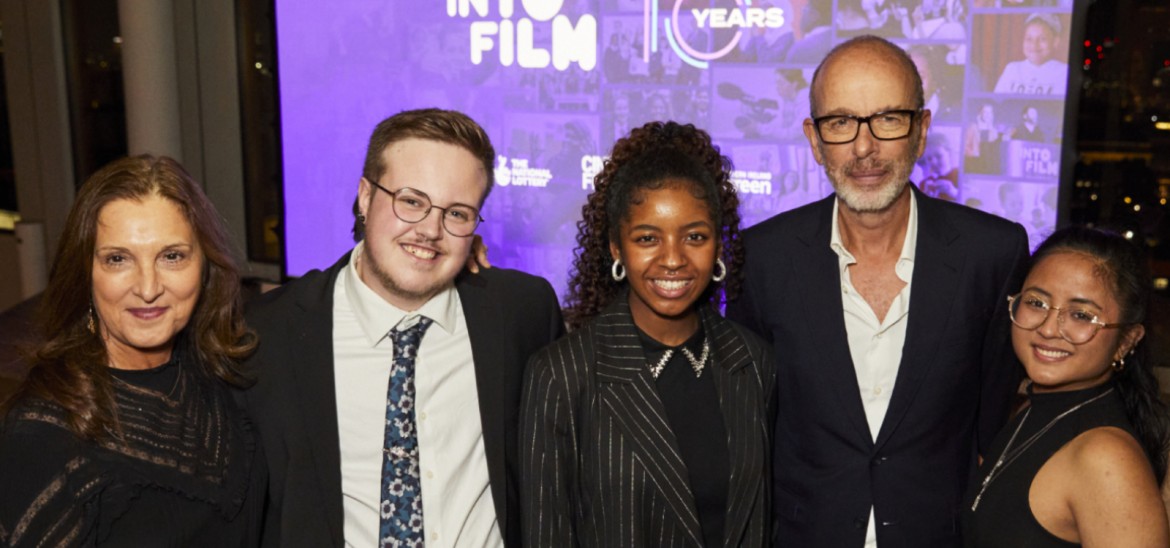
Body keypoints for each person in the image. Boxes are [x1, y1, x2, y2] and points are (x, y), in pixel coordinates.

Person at [727, 36, 1029, 547]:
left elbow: (999, 423)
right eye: (841, 122)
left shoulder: (992, 253)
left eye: (887, 118)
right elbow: (749, 425)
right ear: (814, 138)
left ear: (921, 129)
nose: (864, 147)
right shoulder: (762, 258)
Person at [242, 108, 565, 547]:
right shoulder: (268, 334)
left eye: (457, 213)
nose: (430, 230)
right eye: (411, 201)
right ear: (364, 196)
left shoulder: (522, 312)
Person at [521, 121, 775, 546]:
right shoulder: (562, 375)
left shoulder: (752, 362)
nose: (673, 259)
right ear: (617, 249)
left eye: (695, 236)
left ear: (717, 246)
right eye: (647, 238)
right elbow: (546, 534)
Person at [0, 155, 265, 545]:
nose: (147, 287)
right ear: (84, 273)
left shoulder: (224, 371)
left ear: (205, 266)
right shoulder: (46, 432)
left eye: (172, 256)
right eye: (117, 259)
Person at [963, 226, 1170, 546]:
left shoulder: (1106, 459)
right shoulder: (1031, 409)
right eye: (1036, 302)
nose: (1047, 329)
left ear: (1126, 341)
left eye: (1081, 315)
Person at [993, 13, 1069, 95]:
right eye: (1029, 39)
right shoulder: (1012, 69)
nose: (1034, 45)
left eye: (1042, 39)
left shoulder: (1063, 72)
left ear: (1055, 42)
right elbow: (997, 103)